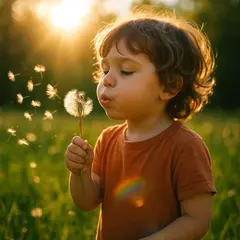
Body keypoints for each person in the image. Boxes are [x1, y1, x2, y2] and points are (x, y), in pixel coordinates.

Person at [65, 11, 217, 240]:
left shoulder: (185, 146)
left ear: (169, 87)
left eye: (126, 71)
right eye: (105, 69)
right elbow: (87, 202)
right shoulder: (107, 140)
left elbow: (198, 220)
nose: (106, 80)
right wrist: (80, 173)